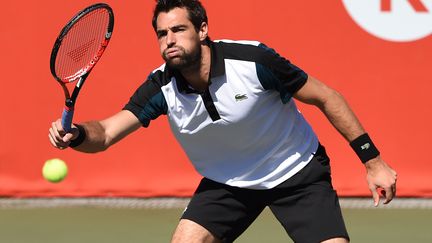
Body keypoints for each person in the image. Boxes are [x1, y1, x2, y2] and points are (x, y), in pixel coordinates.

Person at [48, 0, 397, 242]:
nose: (169, 40)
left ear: (202, 30)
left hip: (295, 171)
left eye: (178, 30)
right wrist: (77, 134)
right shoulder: (161, 86)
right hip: (227, 183)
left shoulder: (253, 61)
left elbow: (327, 96)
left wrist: (373, 161)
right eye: (161, 33)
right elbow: (107, 132)